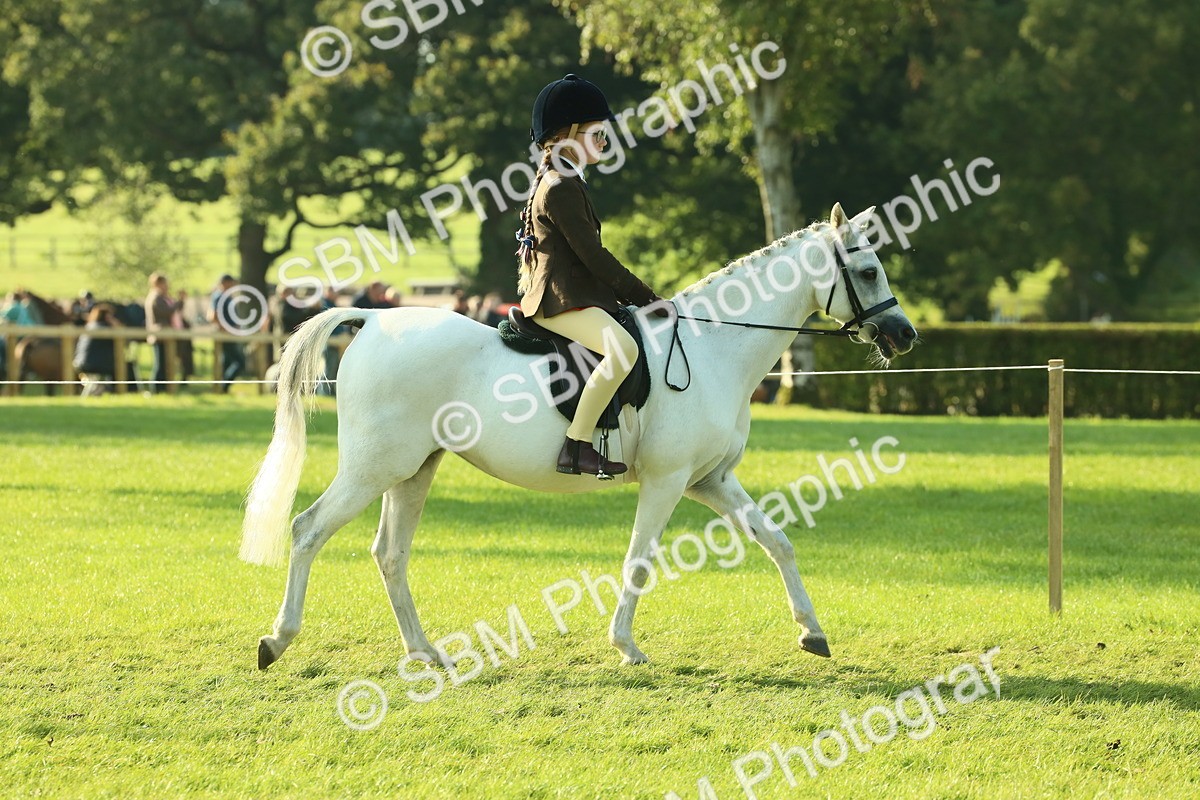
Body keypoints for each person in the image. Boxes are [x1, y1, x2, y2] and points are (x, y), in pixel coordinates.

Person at [515, 74, 672, 477]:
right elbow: (595, 258)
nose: (604, 142)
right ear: (568, 135)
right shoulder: (560, 187)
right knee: (623, 351)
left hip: (570, 294)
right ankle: (577, 444)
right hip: (558, 299)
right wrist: (647, 298)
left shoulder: (562, 178)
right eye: (598, 134)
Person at [208, 274, 247, 393]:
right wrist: (226, 329)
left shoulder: (226, 296)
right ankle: (224, 385)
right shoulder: (219, 296)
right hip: (226, 335)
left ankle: (222, 388)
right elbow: (213, 316)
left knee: (227, 362)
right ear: (226, 283)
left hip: (230, 334)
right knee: (239, 362)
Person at [73, 303, 123, 396]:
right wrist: (115, 324)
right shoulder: (105, 329)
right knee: (123, 367)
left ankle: (102, 390)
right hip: (94, 365)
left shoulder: (89, 326)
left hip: (80, 363)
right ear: (107, 317)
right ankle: (119, 392)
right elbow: (121, 337)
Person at [143, 273, 175, 393]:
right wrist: (178, 304)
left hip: (161, 335)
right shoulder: (156, 297)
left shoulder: (158, 297)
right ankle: (156, 389)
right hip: (159, 335)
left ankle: (162, 388)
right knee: (160, 364)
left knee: (163, 363)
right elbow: (165, 312)